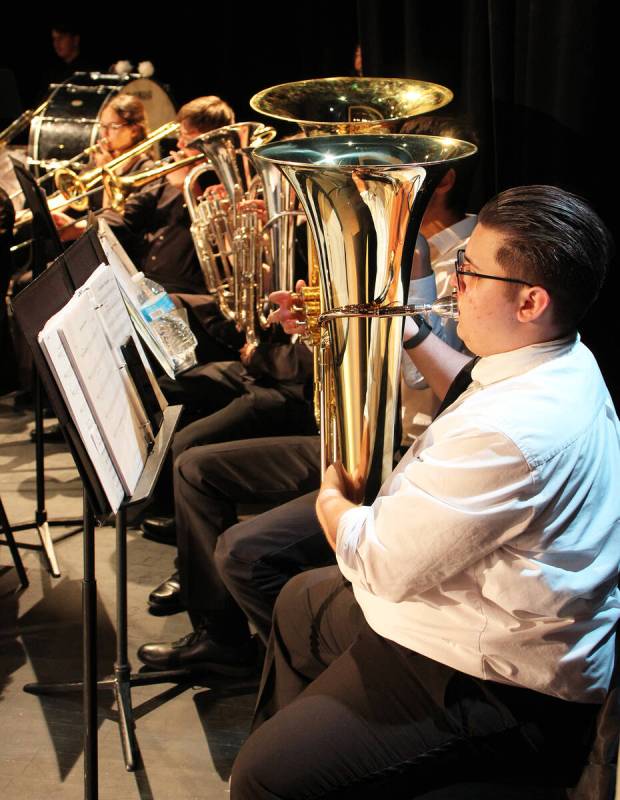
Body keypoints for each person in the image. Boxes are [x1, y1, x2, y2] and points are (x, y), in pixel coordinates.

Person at [229, 185, 619, 798]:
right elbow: (466, 382)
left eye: (470, 270)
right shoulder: (558, 358)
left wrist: (331, 497)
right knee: (300, 602)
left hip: (492, 677)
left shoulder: (510, 432)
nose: (454, 280)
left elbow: (381, 566)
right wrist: (388, 326)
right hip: (464, 618)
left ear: (530, 301)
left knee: (261, 776)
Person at [137, 123, 480, 668]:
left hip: (405, 461)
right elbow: (363, 351)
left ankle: (319, 668)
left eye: (381, 175)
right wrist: (319, 324)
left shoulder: (472, 257)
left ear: (440, 182)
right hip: (358, 432)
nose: (363, 186)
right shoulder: (386, 245)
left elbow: (427, 382)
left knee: (246, 550)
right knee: (193, 467)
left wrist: (406, 286)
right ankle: (224, 638)